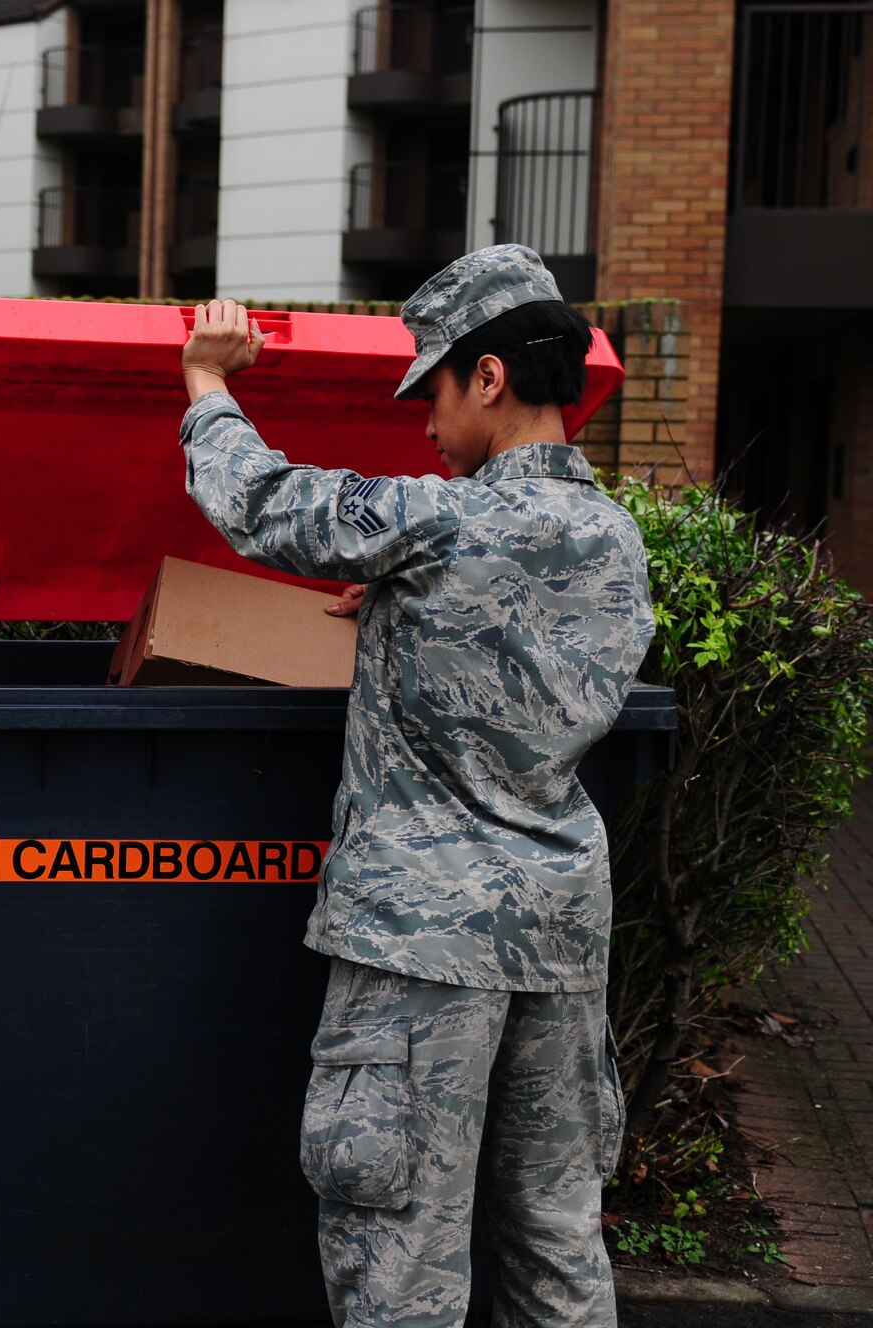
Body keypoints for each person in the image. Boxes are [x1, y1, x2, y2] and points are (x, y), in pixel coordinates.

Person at [177, 244, 655, 1327]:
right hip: (560, 939)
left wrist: (208, 384)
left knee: (400, 1261)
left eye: (431, 388)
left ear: (487, 377)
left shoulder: (437, 520)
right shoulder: (615, 538)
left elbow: (259, 504)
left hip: (417, 949)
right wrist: (401, 599)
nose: (424, 422)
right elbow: (508, 643)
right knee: (555, 1244)